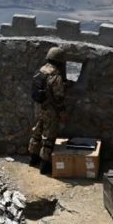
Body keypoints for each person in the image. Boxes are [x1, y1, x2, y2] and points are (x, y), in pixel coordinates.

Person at [28, 46, 67, 175]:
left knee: (36, 133)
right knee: (48, 138)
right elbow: (59, 97)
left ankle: (33, 159)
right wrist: (62, 112)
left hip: (38, 107)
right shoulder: (55, 75)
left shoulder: (41, 70)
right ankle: (44, 166)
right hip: (49, 110)